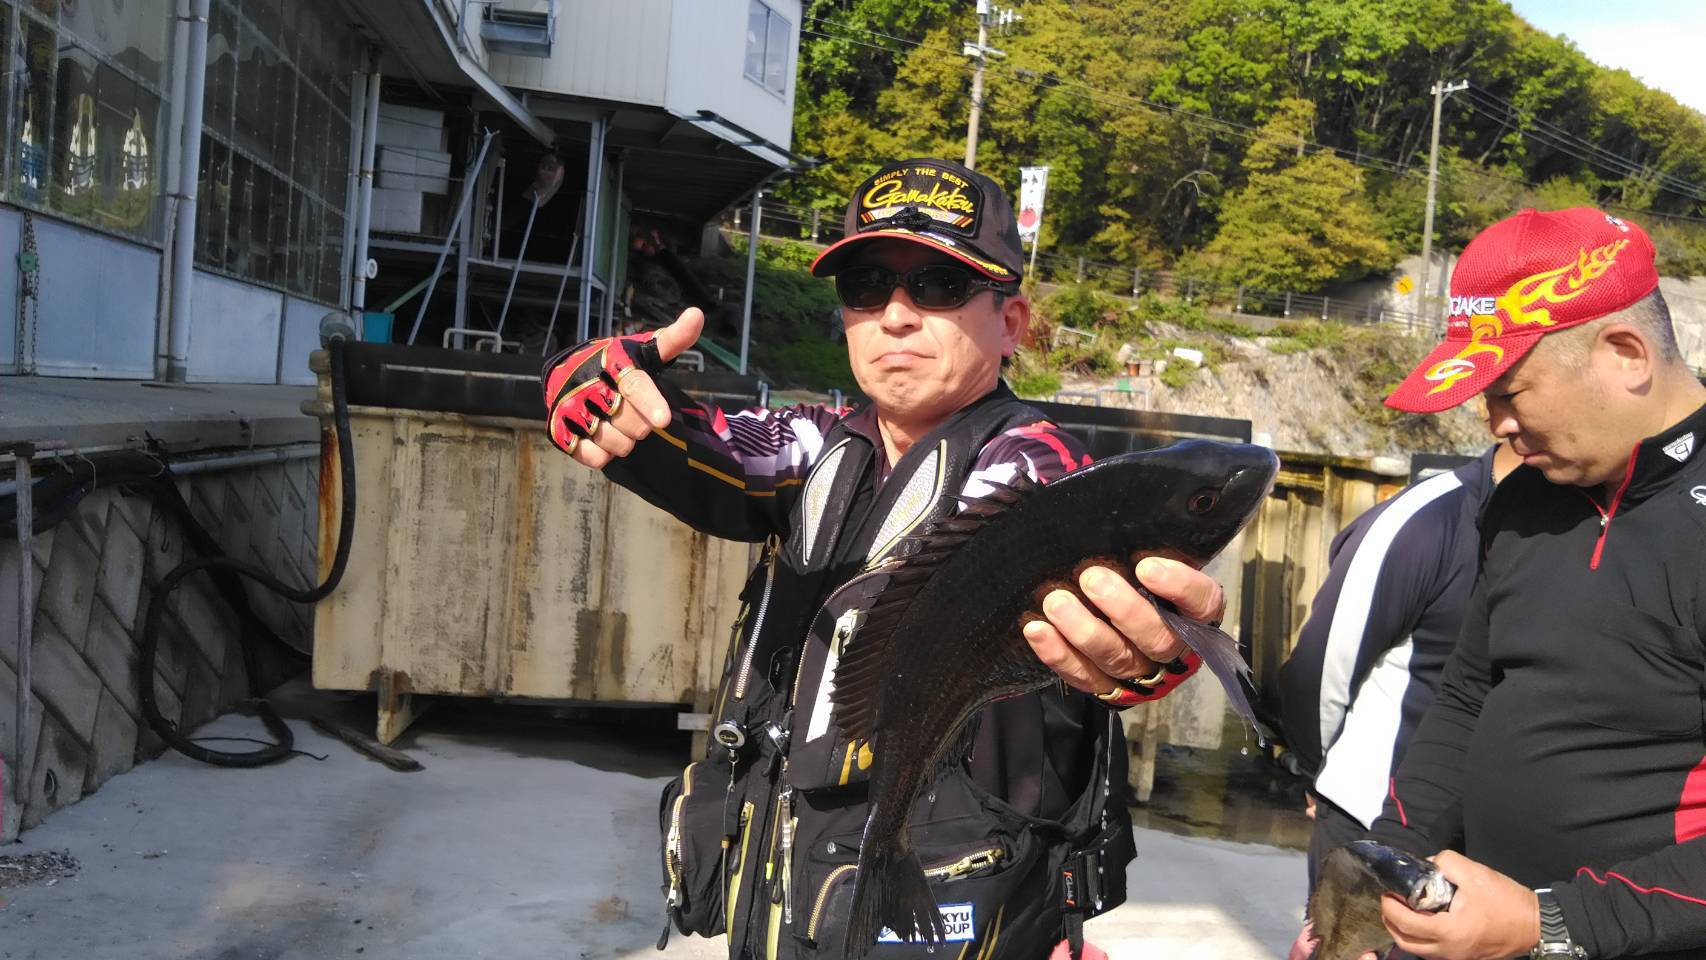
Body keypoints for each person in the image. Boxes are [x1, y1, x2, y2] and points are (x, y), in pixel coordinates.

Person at [541, 157, 1227, 960]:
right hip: (791, 904)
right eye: (867, 286)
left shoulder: (1039, 471)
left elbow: (1101, 586)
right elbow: (694, 447)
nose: (895, 315)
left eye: (938, 285)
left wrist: (1150, 652)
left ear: (1010, 323)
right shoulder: (814, 444)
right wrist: (597, 389)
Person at [1359, 207, 1706, 960]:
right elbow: (1467, 698)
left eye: (1510, 391)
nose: (1495, 425)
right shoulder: (1522, 501)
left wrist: (1549, 924)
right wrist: (1380, 872)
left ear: (1626, 354)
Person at [1276, 439, 1519, 958]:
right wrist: (1317, 767)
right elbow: (1323, 663)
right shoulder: (1426, 520)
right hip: (1373, 815)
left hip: (1487, 842)